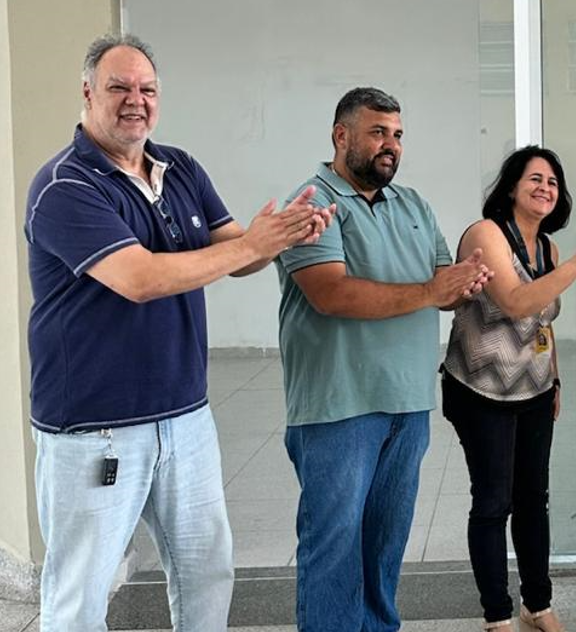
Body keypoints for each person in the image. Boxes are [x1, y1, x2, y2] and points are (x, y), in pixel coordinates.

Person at [24, 34, 332, 630]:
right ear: (87, 93)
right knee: (80, 595)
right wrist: (251, 244)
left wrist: (281, 237)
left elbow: (234, 254)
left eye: (147, 89)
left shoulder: (181, 167)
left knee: (206, 574)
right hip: (95, 430)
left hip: (185, 417)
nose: (135, 100)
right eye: (119, 87)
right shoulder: (63, 186)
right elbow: (139, 278)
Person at [275, 87, 492, 631]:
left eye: (397, 135)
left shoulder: (413, 204)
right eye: (377, 133)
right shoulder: (310, 204)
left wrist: (466, 285)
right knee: (334, 546)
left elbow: (442, 285)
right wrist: (433, 290)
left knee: (384, 545)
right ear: (340, 136)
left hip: (408, 403)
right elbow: (332, 294)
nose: (390, 145)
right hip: (338, 407)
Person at [441, 146, 576, 632]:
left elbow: (542, 322)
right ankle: (497, 615)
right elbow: (517, 302)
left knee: (534, 500)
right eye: (535, 179)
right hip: (481, 392)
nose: (545, 188)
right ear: (512, 187)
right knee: (493, 501)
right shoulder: (486, 234)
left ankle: (537, 606)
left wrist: (553, 378)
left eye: (553, 182)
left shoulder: (548, 249)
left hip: (534, 392)